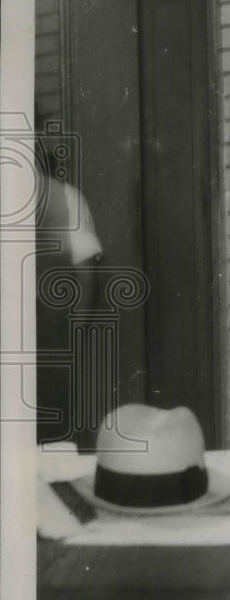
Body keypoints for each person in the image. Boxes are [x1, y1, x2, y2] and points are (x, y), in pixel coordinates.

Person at [35, 138, 103, 445]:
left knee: (49, 443)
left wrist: (71, 339)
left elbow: (87, 278)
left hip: (49, 349)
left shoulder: (66, 199)